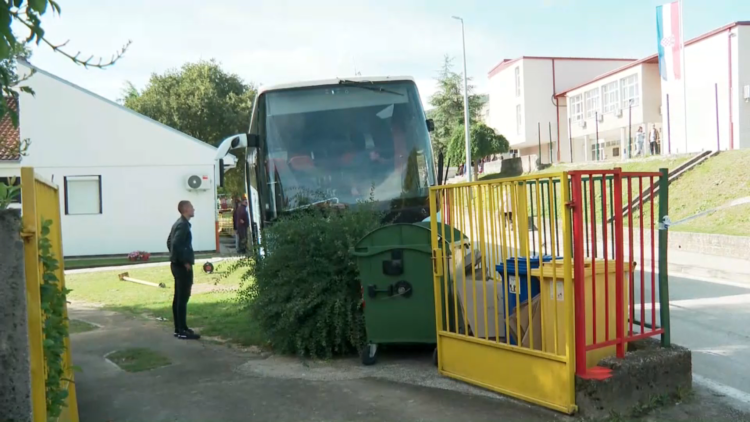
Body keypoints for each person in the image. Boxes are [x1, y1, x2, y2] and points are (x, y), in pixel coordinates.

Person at [167, 200, 199, 340]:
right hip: (181, 267)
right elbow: (175, 243)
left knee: (178, 297)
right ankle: (181, 330)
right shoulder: (183, 225)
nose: (194, 209)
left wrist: (175, 257)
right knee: (182, 298)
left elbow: (169, 242)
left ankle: (181, 327)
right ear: (186, 209)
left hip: (176, 265)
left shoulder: (178, 223)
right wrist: (184, 261)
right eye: (192, 207)